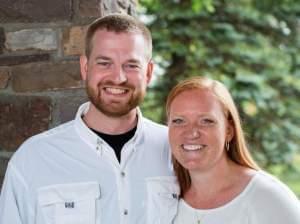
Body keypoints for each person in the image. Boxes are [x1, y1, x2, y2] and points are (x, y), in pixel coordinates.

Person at [0, 14, 179, 224]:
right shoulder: (32, 159)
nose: (118, 77)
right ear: (85, 67)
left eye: (131, 65)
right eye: (104, 63)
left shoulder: (176, 150)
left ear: (148, 73)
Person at [166, 76, 300, 224]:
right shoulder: (167, 200)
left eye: (206, 121)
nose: (191, 133)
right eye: (179, 121)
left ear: (229, 131)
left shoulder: (269, 198)